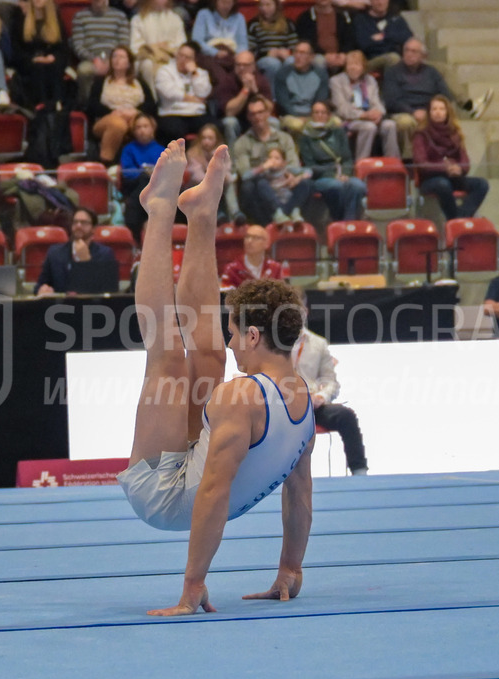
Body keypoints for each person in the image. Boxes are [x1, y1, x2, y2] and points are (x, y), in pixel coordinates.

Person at [117, 139, 315, 616]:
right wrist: (291, 567)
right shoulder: (305, 397)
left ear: (252, 334)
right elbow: (300, 493)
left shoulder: (241, 398)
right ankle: (202, 215)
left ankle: (160, 210)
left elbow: (212, 491)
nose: (229, 343)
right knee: (204, 353)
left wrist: (194, 584)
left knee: (166, 353)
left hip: (164, 498)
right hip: (203, 476)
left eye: (234, 333)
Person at [383, 38, 491, 159]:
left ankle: (447, 159)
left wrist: (431, 111)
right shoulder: (393, 72)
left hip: (428, 111)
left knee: (445, 117)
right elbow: (392, 100)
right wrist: (413, 112)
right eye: (406, 50)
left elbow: (444, 94)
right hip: (404, 112)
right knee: (406, 122)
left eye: (414, 51)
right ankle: (411, 161)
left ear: (423, 55)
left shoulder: (432, 72)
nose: (409, 54)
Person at [292, 317, 367, 476]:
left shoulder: (318, 344)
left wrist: (320, 397)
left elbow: (331, 383)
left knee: (346, 416)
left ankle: (360, 472)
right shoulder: (270, 341)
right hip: (280, 406)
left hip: (311, 407)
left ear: (305, 312)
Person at [412, 95, 489, 221]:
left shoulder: (454, 133)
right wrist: (444, 168)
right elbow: (421, 163)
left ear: (447, 112)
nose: (438, 112)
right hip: (430, 180)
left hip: (453, 177)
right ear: (429, 112)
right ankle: (455, 220)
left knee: (481, 184)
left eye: (442, 109)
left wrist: (459, 169)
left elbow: (465, 161)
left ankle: (460, 216)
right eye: (434, 109)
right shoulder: (421, 134)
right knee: (443, 184)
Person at [233, 94, 300, 225]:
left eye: (260, 112)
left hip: (281, 182)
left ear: (268, 113)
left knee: (305, 184)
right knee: (251, 186)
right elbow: (245, 174)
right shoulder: (242, 143)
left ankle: (288, 218)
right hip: (258, 188)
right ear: (248, 117)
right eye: (253, 114)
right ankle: (269, 224)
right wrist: (264, 167)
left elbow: (294, 165)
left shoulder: (284, 138)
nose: (257, 117)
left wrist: (291, 175)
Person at [87, 45, 156, 165]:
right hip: (107, 119)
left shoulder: (139, 82)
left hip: (133, 116)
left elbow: (151, 104)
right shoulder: (101, 82)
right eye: (114, 56)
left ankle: (145, 163)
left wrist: (136, 112)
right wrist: (112, 113)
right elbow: (91, 105)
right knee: (118, 124)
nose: (117, 59)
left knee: (144, 124)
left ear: (129, 63)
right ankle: (106, 163)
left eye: (121, 57)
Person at [299, 100, 367, 221]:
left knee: (358, 185)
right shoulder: (305, 137)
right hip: (320, 177)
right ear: (312, 115)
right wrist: (333, 175)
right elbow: (310, 166)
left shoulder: (338, 132)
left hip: (341, 174)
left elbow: (346, 158)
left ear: (328, 115)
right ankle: (338, 219)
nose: (320, 115)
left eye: (323, 112)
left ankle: (348, 221)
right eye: (316, 112)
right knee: (336, 186)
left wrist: (345, 174)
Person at [329, 49, 399, 160]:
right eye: (350, 64)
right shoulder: (336, 81)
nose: (353, 67)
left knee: (390, 125)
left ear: (363, 66)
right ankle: (361, 163)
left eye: (356, 64)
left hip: (370, 117)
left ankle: (393, 163)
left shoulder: (370, 80)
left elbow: (377, 102)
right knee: (369, 127)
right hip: (349, 120)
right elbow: (341, 109)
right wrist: (364, 115)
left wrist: (378, 113)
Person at [35, 206, 116, 294]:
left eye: (84, 223)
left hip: (91, 306)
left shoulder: (105, 254)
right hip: (61, 306)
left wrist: (86, 263)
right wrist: (42, 289)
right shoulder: (55, 252)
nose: (78, 226)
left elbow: (109, 290)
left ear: (93, 228)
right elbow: (40, 285)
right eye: (75, 222)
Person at [70, 0, 130, 105]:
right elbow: (78, 45)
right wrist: (94, 59)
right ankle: (87, 106)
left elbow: (124, 44)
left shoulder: (120, 16)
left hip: (115, 58)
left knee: (129, 68)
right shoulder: (80, 17)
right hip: (90, 59)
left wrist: (112, 60)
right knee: (84, 70)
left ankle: (121, 103)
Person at [10, 0, 68, 108]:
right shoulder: (21, 19)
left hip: (51, 60)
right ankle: (40, 106)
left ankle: (57, 106)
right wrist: (33, 59)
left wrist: (52, 57)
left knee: (54, 67)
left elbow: (63, 48)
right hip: (29, 61)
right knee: (39, 69)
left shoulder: (56, 20)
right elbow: (16, 49)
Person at [211, 49, 273, 148]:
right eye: (238, 65)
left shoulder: (261, 80)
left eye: (245, 65)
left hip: (255, 118)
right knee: (230, 123)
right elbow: (230, 112)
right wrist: (245, 90)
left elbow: (269, 109)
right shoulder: (226, 81)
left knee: (274, 123)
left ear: (253, 66)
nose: (241, 68)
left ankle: (268, 155)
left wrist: (255, 92)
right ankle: (233, 158)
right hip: (236, 120)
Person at [155, 41, 214, 143]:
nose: (183, 60)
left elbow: (203, 93)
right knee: (174, 131)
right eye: (180, 55)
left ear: (194, 60)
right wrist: (194, 99)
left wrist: (194, 74)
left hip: (197, 113)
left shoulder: (201, 73)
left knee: (215, 127)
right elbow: (169, 93)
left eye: (187, 57)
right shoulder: (164, 71)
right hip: (172, 113)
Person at [120, 112, 165, 241]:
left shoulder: (162, 150)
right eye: (138, 127)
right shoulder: (128, 149)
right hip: (135, 186)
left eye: (145, 126)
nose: (142, 130)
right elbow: (127, 172)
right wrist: (144, 171)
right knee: (145, 180)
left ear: (152, 128)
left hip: (159, 189)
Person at [185, 123, 240, 222]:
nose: (206, 141)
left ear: (216, 140)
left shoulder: (222, 153)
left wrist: (215, 159)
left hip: (217, 184)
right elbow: (197, 176)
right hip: (198, 188)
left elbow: (227, 174)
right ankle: (216, 214)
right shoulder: (193, 153)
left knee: (229, 184)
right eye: (204, 138)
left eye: (210, 138)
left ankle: (235, 213)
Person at [129, 0, 187, 93]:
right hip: (149, 58)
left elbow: (181, 44)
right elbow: (135, 47)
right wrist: (155, 49)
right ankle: (153, 99)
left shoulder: (175, 19)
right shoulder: (138, 19)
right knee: (146, 65)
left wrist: (165, 49)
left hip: (170, 57)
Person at [273, 41, 329, 136]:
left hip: (314, 114)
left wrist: (311, 117)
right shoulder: (282, 74)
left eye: (302, 53)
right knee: (297, 125)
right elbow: (284, 103)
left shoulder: (321, 74)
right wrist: (298, 117)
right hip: (291, 116)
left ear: (311, 57)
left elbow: (320, 100)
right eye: (296, 52)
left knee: (336, 122)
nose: (298, 56)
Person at [351, 0, 411, 75]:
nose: (380, 2)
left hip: (396, 58)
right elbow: (364, 45)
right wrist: (391, 42)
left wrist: (384, 36)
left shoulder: (396, 18)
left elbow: (408, 38)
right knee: (393, 58)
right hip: (370, 61)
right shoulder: (361, 20)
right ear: (371, 2)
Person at [294, 0, 355, 74]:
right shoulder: (305, 17)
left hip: (340, 55)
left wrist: (343, 54)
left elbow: (349, 39)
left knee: (355, 60)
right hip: (316, 55)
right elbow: (306, 42)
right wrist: (325, 56)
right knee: (319, 61)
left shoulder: (343, 16)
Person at [247, 0, 297, 85]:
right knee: (273, 63)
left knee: (291, 61)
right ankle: (272, 96)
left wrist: (288, 52)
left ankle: (289, 93)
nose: (264, 8)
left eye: (268, 5)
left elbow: (295, 47)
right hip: (264, 58)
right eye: (262, 5)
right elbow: (250, 50)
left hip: (285, 56)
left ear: (276, 6)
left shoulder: (288, 23)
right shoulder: (253, 24)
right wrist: (267, 53)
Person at [259, 147, 311, 223]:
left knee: (305, 183)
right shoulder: (265, 173)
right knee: (261, 183)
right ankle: (280, 214)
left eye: (277, 158)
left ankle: (294, 212)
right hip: (274, 206)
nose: (272, 161)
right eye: (270, 158)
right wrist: (284, 184)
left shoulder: (288, 170)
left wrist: (298, 178)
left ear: (284, 162)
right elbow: (248, 176)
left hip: (290, 202)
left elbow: (309, 171)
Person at [220, 222, 282, 287]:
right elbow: (226, 294)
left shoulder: (275, 268)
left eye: (255, 238)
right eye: (247, 237)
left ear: (266, 243)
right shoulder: (232, 269)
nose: (249, 241)